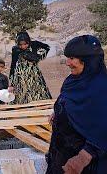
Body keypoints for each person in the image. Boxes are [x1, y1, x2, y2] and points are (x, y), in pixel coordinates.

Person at [46, 35, 107, 174]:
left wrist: (83, 158)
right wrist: (59, 112)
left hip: (83, 164)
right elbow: (68, 99)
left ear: (89, 61)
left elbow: (103, 129)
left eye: (72, 58)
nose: (67, 63)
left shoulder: (101, 88)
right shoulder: (73, 80)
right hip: (61, 153)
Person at [9, 31, 52, 104]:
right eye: (20, 45)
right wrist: (12, 82)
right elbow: (13, 64)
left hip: (34, 75)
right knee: (22, 94)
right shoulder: (15, 49)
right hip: (21, 76)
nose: (23, 47)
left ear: (28, 41)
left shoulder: (34, 44)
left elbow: (47, 47)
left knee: (37, 92)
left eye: (25, 44)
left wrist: (38, 56)